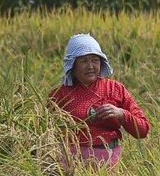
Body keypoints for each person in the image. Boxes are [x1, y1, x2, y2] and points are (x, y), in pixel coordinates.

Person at [48, 33, 150, 168]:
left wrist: (121, 114)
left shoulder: (115, 89)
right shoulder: (59, 95)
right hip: (71, 166)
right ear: (73, 65)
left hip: (109, 164)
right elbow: (46, 134)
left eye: (95, 60)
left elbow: (143, 130)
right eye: (84, 61)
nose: (90, 66)